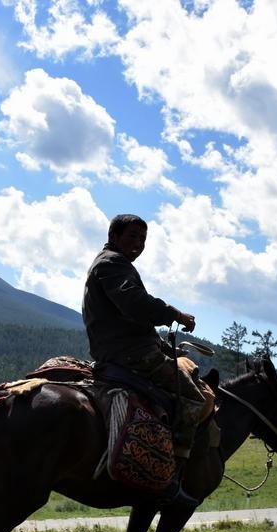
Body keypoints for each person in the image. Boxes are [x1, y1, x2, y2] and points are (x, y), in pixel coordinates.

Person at [82, 213, 209, 506]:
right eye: (132, 236)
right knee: (192, 399)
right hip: (129, 355)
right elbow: (135, 304)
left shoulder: (110, 264)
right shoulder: (113, 263)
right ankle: (171, 478)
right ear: (114, 236)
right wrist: (175, 315)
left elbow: (129, 316)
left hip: (124, 348)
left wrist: (163, 346)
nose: (138, 244)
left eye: (143, 239)